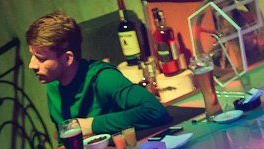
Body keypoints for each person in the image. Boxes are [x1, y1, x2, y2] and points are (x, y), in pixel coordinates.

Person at [26, 11, 170, 137]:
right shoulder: (53, 84)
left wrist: (91, 125)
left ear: (67, 59)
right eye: (32, 56)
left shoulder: (103, 77)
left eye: (41, 58)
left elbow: (154, 110)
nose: (32, 65)